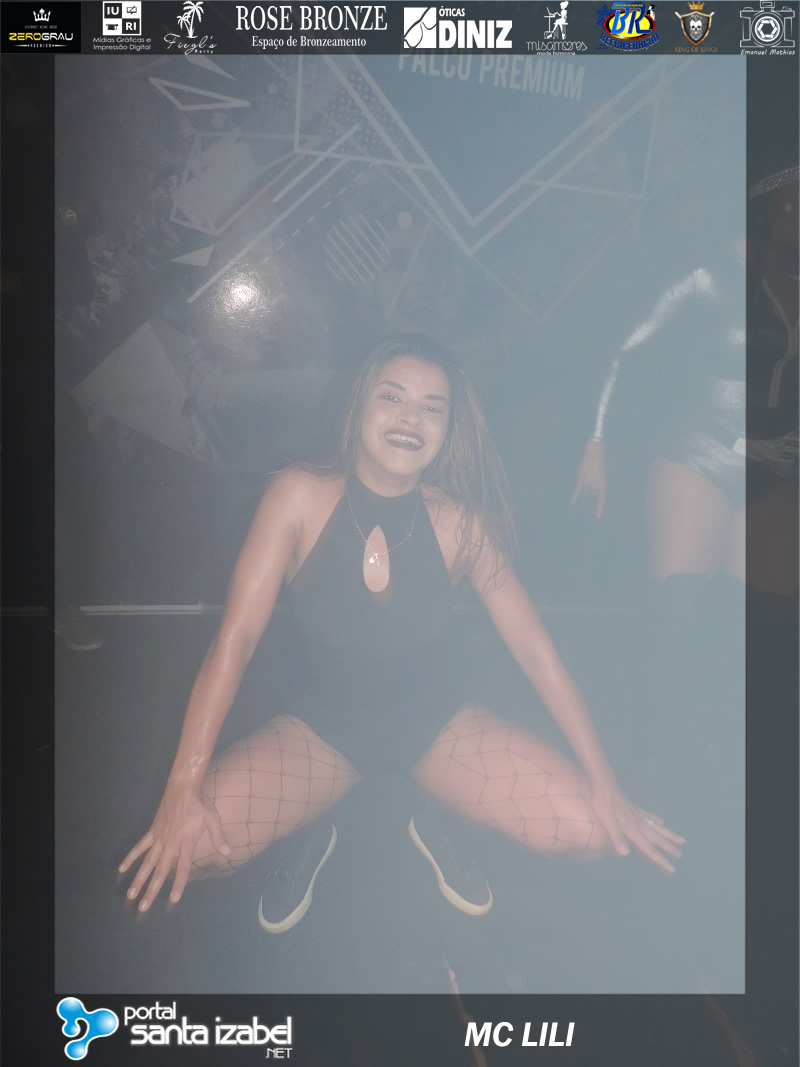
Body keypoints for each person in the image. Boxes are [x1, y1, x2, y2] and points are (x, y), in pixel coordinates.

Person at [120, 335, 683, 932]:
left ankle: (444, 819)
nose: (411, 418)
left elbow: (534, 648)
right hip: (319, 734)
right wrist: (182, 785)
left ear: (448, 427)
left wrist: (604, 780)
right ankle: (306, 830)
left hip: (434, 729)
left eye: (432, 407)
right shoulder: (297, 495)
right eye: (392, 397)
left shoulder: (462, 524)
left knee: (595, 831)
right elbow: (233, 643)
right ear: (359, 403)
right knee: (186, 852)